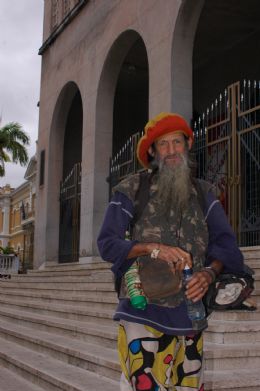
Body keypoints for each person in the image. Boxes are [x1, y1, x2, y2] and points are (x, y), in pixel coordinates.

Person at [97, 112, 244, 391]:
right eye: (163, 144)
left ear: (187, 145)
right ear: (152, 151)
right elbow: (106, 244)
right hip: (142, 310)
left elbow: (226, 246)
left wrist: (210, 273)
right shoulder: (132, 189)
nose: (171, 150)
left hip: (191, 315)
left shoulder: (204, 194)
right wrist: (152, 248)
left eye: (177, 142)